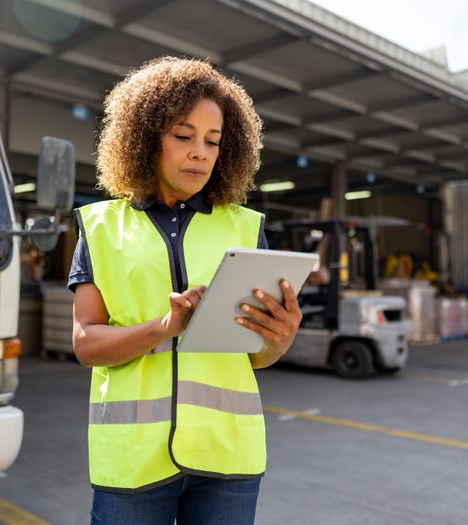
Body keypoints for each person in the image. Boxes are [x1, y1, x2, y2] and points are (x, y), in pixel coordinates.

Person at [68, 56, 302, 525]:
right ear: (146, 137)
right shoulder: (100, 227)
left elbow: (254, 356)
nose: (200, 152)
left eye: (213, 141)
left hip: (227, 456)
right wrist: (165, 327)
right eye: (183, 136)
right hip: (133, 462)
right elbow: (86, 344)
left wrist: (280, 338)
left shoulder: (245, 228)